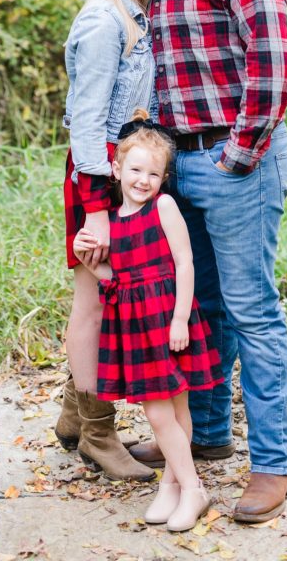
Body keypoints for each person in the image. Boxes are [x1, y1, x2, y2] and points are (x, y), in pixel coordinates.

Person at [130, 0, 287, 523]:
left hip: (235, 161)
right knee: (200, 306)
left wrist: (239, 154)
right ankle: (205, 434)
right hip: (177, 165)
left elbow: (272, 62)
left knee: (252, 311)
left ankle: (274, 465)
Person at [73, 111, 223, 532]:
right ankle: (173, 486)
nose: (144, 180)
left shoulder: (164, 207)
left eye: (154, 174)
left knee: (171, 411)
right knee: (164, 412)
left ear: (163, 178)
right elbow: (116, 283)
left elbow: (185, 263)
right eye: (136, 170)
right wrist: (91, 262)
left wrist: (180, 320)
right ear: (116, 169)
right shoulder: (112, 224)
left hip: (170, 320)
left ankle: (190, 487)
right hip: (138, 330)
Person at [55, 0, 162, 481]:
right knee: (94, 302)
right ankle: (99, 434)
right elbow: (87, 122)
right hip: (97, 180)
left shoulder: (139, 12)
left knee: (105, 297)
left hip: (125, 179)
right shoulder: (104, 22)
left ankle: (75, 414)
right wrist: (98, 211)